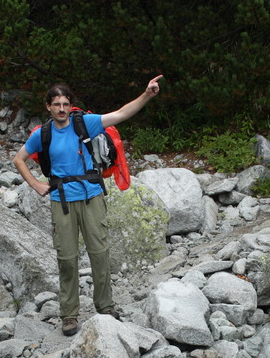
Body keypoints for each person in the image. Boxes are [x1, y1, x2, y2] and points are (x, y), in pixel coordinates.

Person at [13, 75, 163, 336]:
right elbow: (19, 159)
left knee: (100, 254)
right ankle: (69, 315)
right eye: (56, 104)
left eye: (65, 104)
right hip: (62, 201)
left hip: (92, 195)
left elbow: (121, 114)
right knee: (67, 259)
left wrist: (147, 95)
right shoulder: (42, 134)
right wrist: (36, 185)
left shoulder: (85, 124)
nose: (61, 109)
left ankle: (105, 306)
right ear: (48, 106)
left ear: (71, 105)